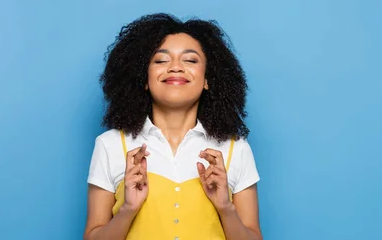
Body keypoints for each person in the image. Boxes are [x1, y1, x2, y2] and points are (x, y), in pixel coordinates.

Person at [83, 13, 262, 240]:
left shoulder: (236, 148)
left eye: (190, 60)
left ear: (208, 79)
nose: (175, 67)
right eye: (161, 60)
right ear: (144, 79)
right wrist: (127, 209)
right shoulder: (110, 145)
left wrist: (226, 208)